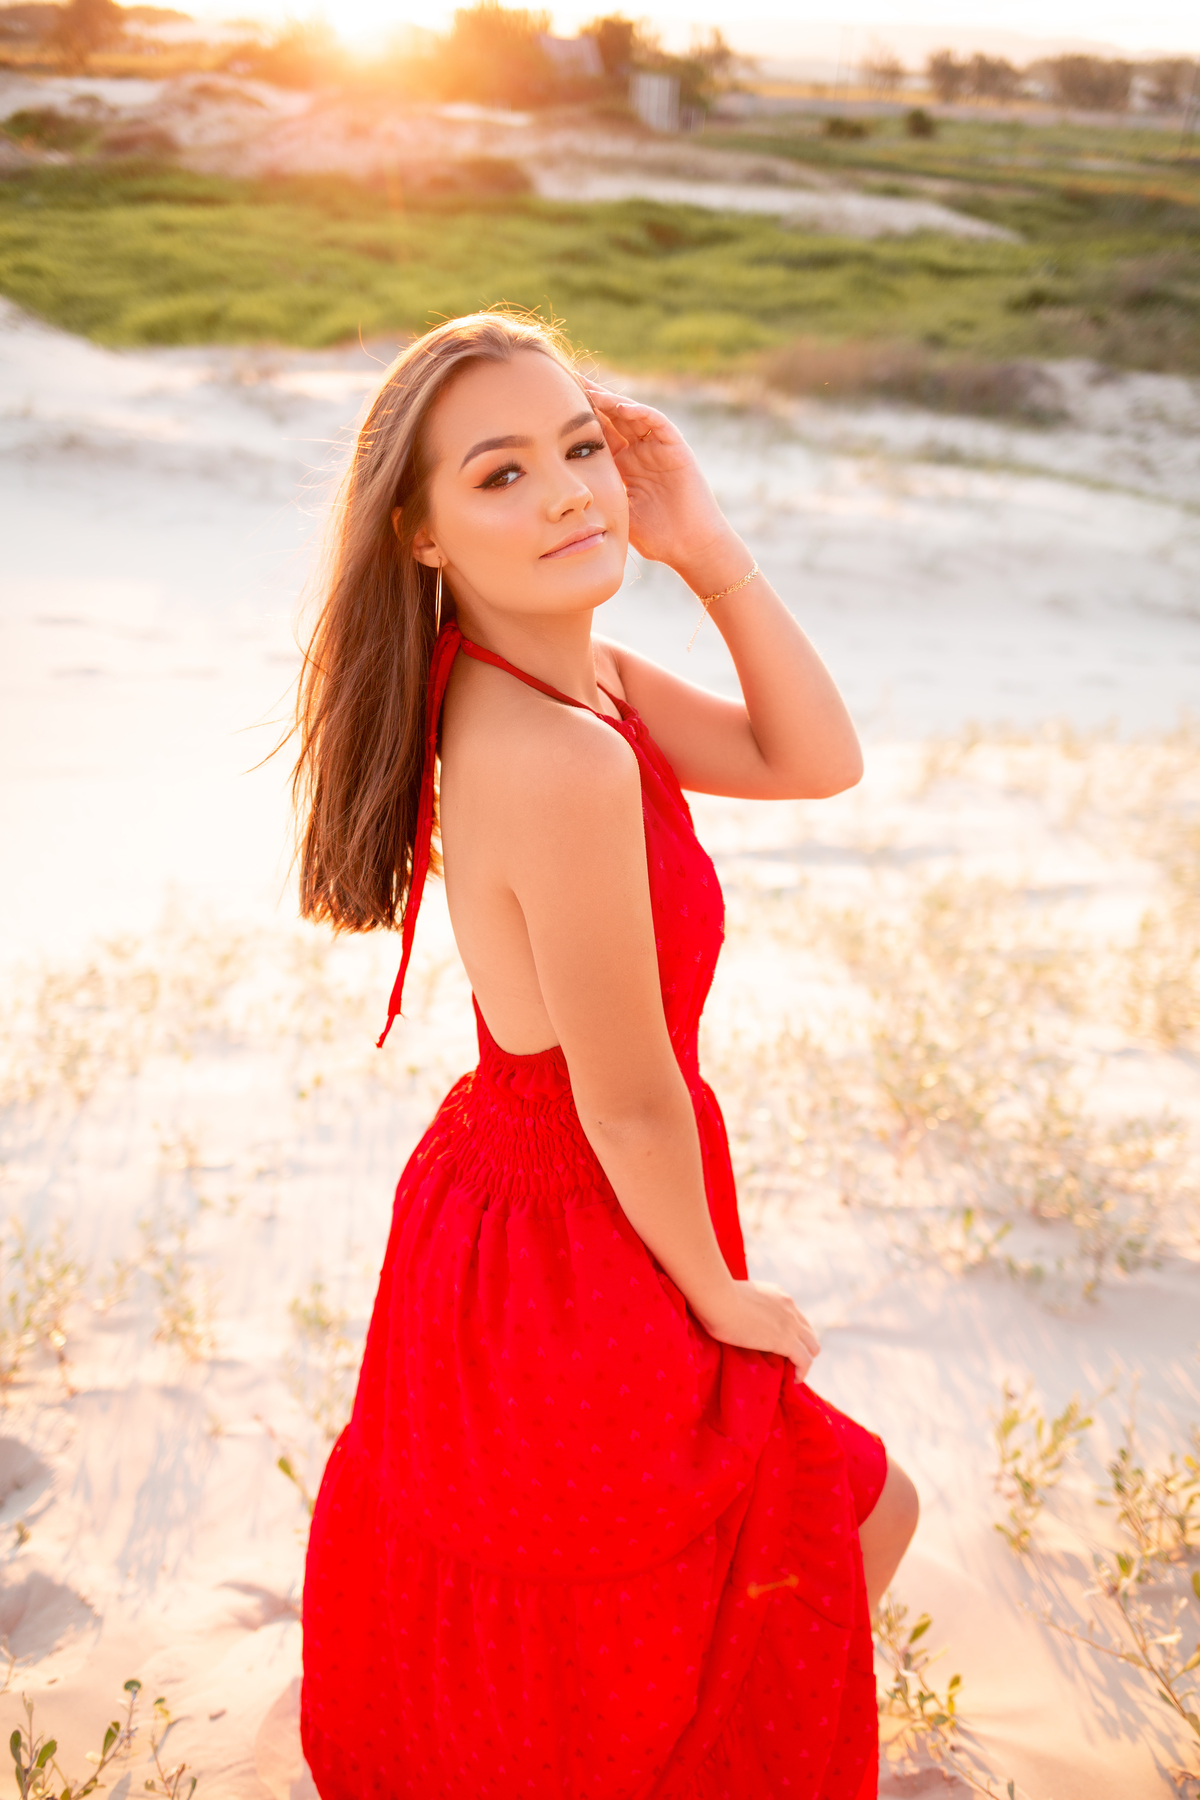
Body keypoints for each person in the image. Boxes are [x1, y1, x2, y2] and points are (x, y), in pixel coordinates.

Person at [293, 310, 918, 1799]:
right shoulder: (558, 754)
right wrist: (722, 1297)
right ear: (421, 533)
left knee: (639, 1620)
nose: (572, 492)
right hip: (575, 1234)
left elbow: (814, 759)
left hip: (512, 1205)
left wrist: (702, 545)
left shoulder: (570, 686)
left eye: (582, 448)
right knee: (844, 1519)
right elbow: (628, 1100)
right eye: (501, 473)